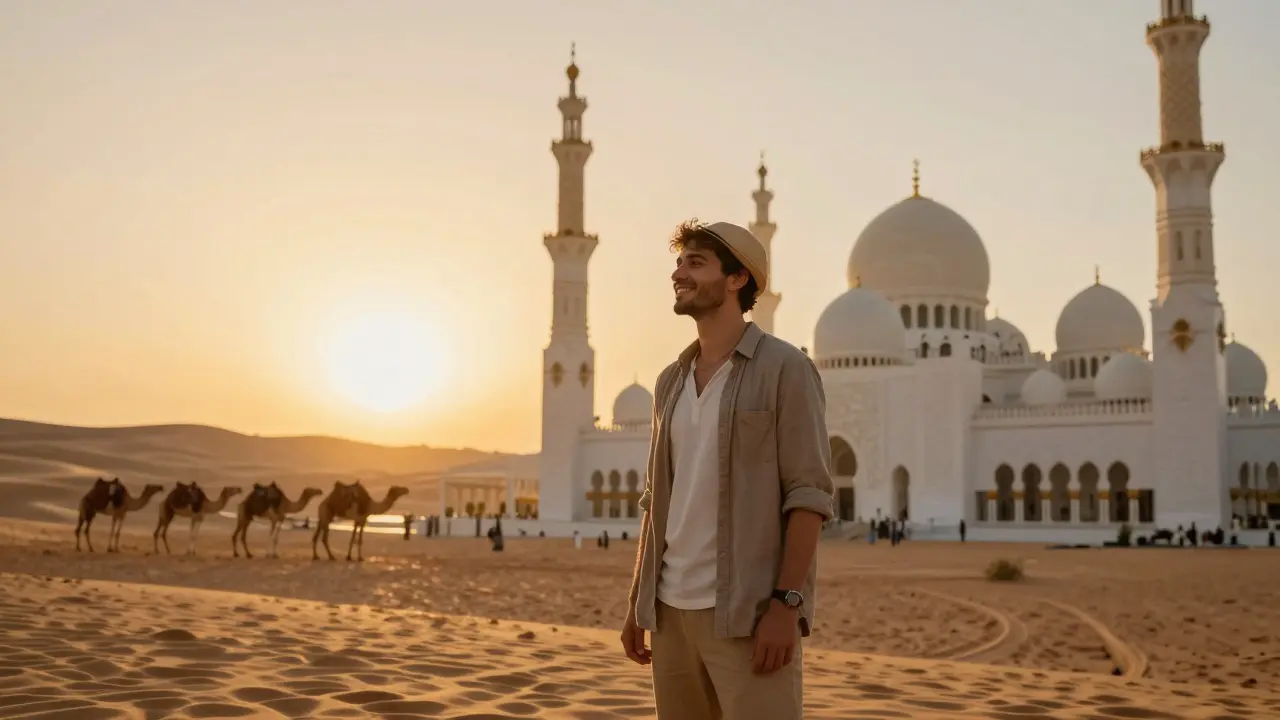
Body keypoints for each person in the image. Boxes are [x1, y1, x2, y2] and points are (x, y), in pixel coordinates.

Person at [620, 220, 835, 719]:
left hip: (748, 616)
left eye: (696, 263)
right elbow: (656, 502)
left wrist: (786, 605)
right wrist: (638, 601)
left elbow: (809, 496)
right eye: (678, 262)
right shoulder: (670, 382)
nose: (679, 273)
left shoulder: (785, 369)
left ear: (739, 279)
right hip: (671, 617)